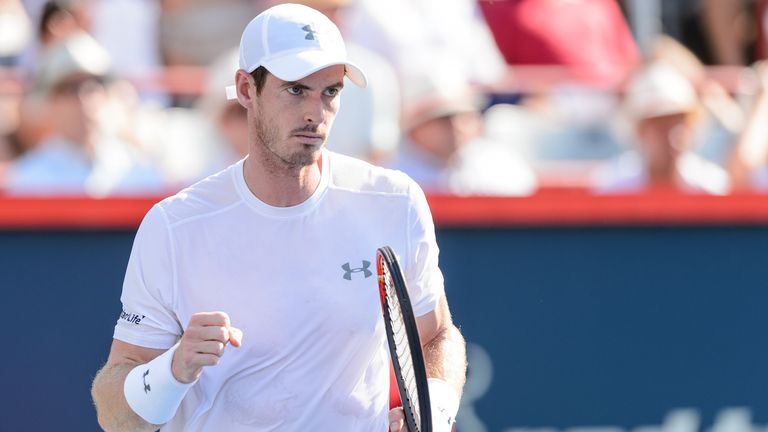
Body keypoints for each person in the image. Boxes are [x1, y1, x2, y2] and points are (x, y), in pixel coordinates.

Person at [91, 4, 466, 432]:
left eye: (330, 91)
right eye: (295, 90)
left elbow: (436, 336)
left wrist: (434, 411)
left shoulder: (394, 201)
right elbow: (115, 416)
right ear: (246, 89)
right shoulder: (174, 227)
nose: (315, 112)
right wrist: (172, 369)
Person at [590, 61, 730, 194]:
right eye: (661, 125)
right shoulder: (612, 186)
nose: (674, 133)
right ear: (640, 131)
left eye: (679, 122)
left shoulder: (712, 186)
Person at [391, 72, 537, 196]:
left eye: (464, 117)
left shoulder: (499, 162)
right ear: (415, 128)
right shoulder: (390, 171)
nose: (456, 126)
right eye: (443, 119)